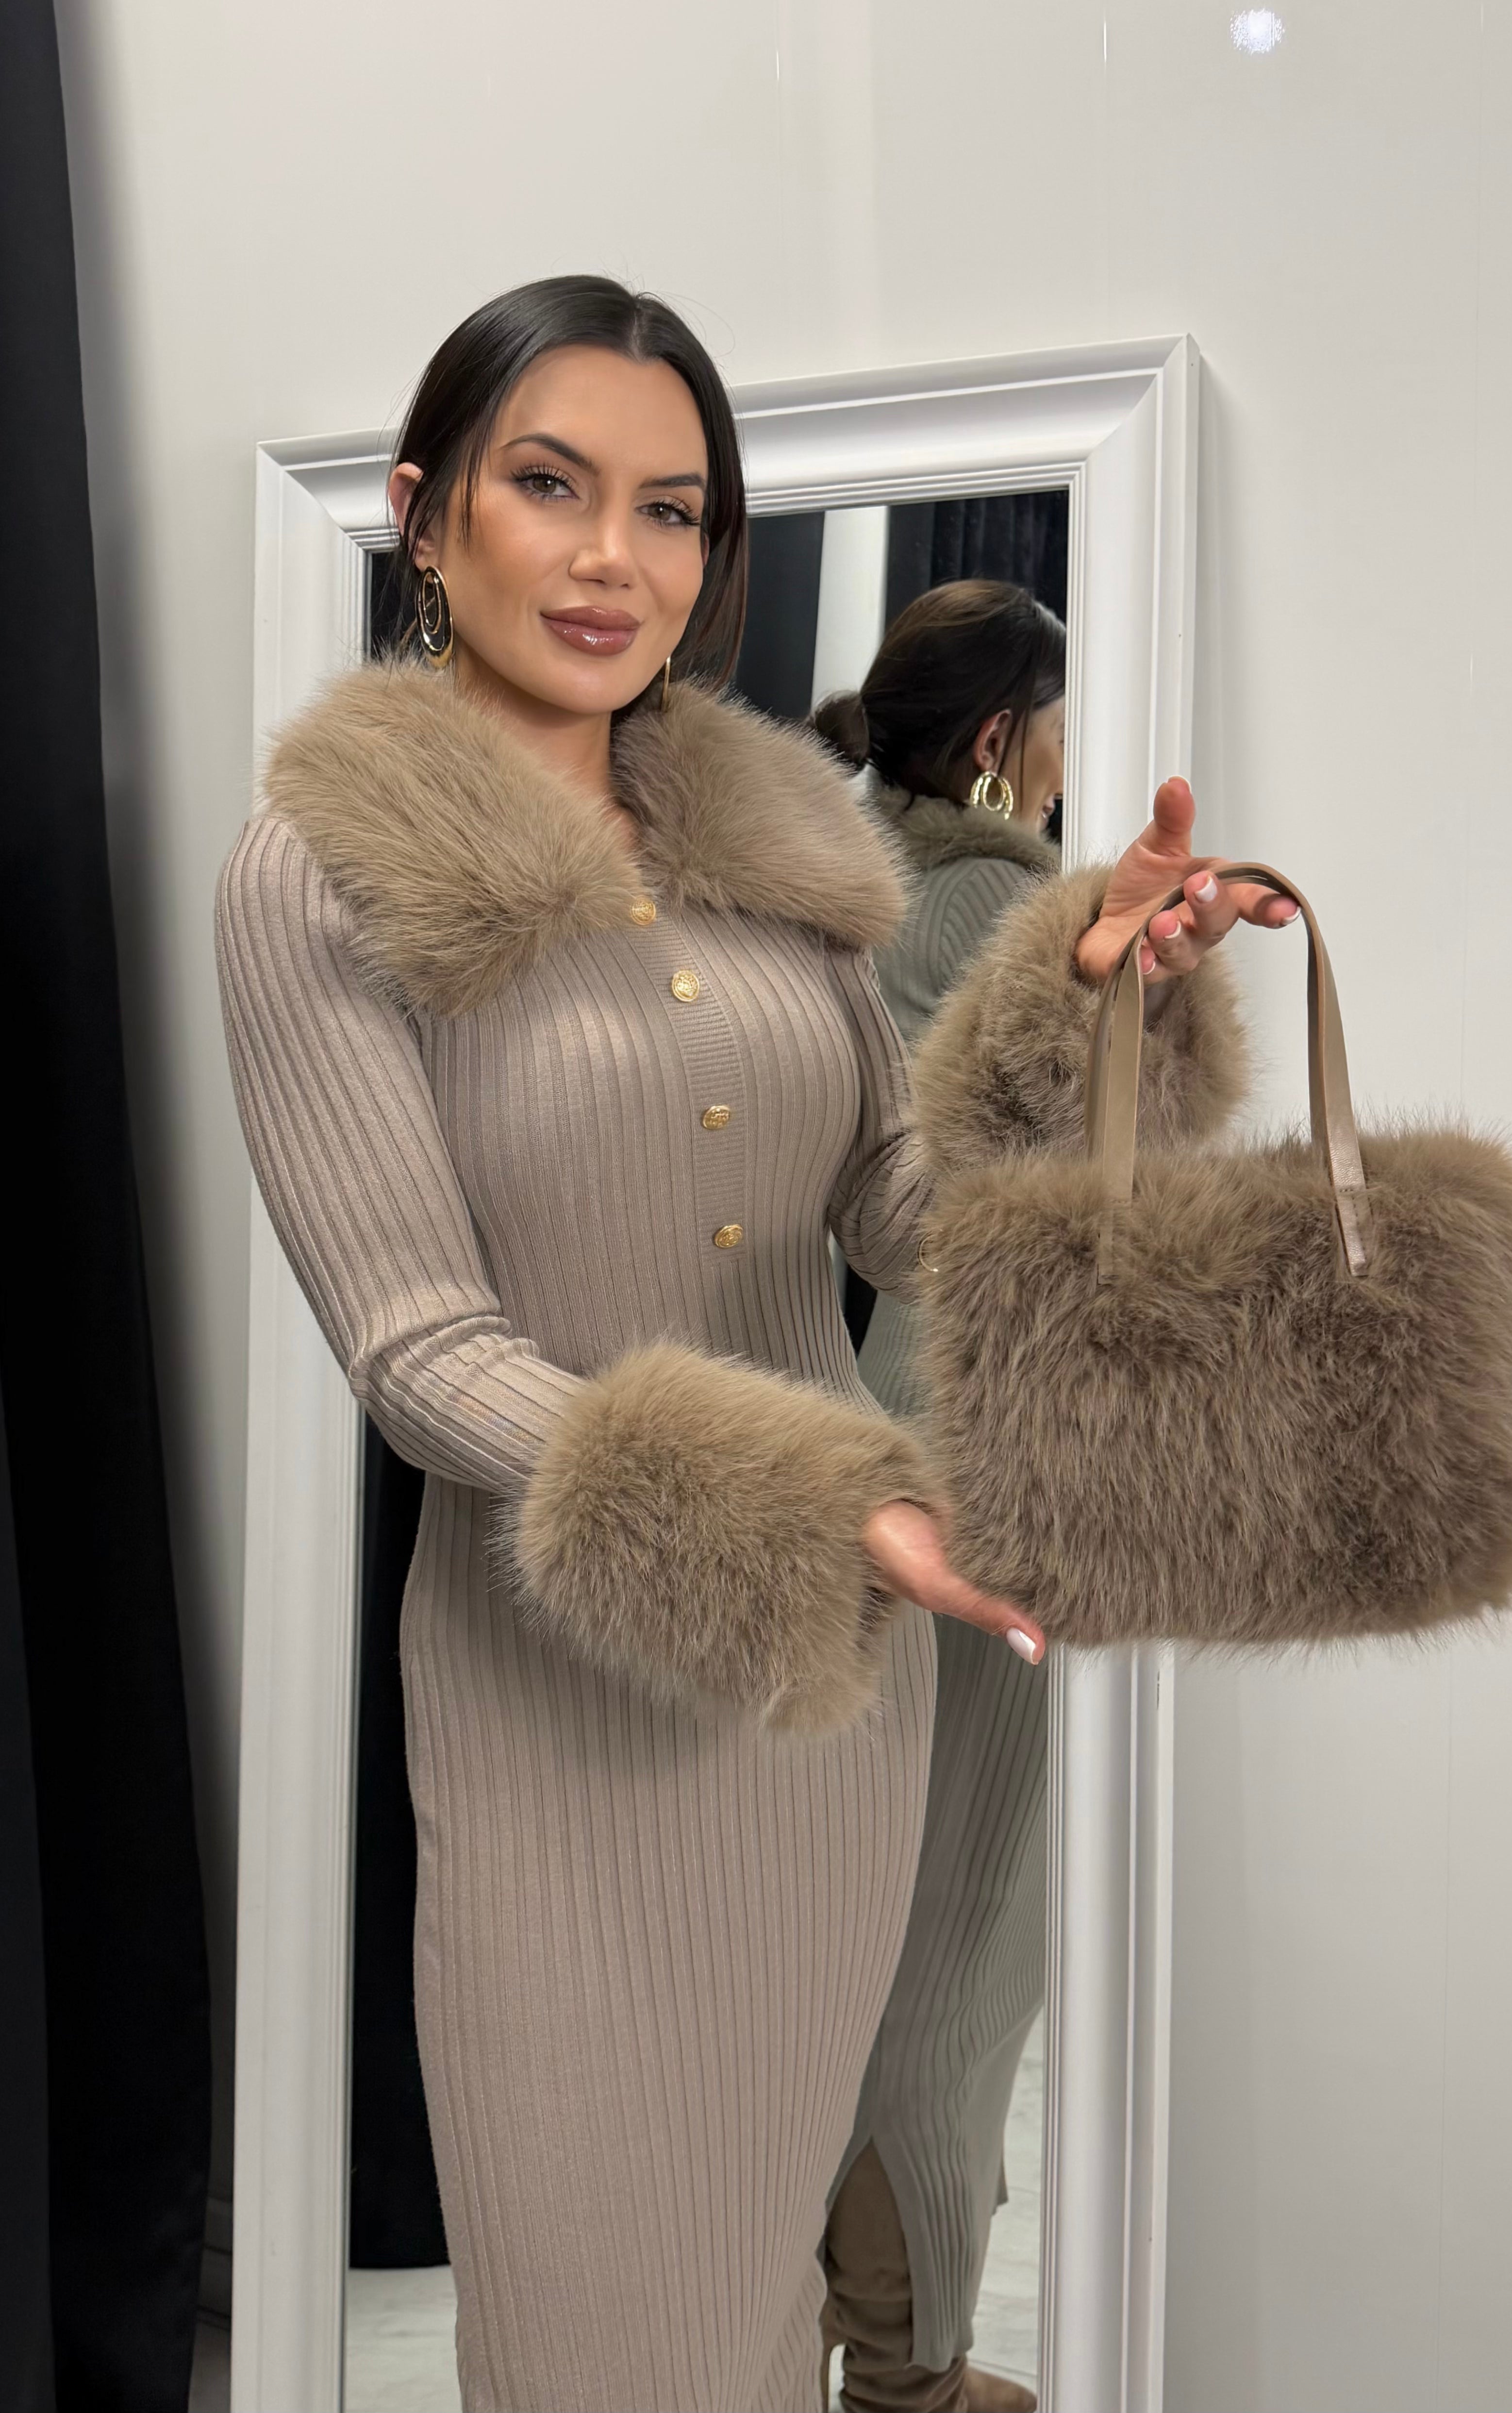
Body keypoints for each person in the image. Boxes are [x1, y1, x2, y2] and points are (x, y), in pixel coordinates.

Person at [215, 275, 1289, 2413]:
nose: (613, 557)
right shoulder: (319, 876)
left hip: (826, 1727)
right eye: (550, 485)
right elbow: (419, 1350)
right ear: (425, 513)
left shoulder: (778, 846)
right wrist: (826, 1504)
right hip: (565, 1715)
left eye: (672, 508)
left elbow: (898, 1205)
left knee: (755, 2309)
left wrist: (1088, 999)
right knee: (596, 2337)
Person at [814, 582, 1066, 2413]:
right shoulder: (1017, 918)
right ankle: (908, 2369)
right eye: (1053, 724)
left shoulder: (823, 895)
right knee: (958, 1933)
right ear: (998, 740)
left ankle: (819, 2326)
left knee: (835, 1920)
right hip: (977, 1464)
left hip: (831, 1454)